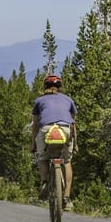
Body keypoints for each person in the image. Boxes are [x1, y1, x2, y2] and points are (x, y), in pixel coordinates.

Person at [31, 74, 77, 211]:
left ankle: (45, 181)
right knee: (67, 161)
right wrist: (75, 143)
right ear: (60, 87)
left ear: (45, 86)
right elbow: (73, 124)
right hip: (65, 129)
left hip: (46, 129)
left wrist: (33, 144)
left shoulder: (39, 101)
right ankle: (67, 198)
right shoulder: (69, 100)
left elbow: (35, 125)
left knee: (42, 157)